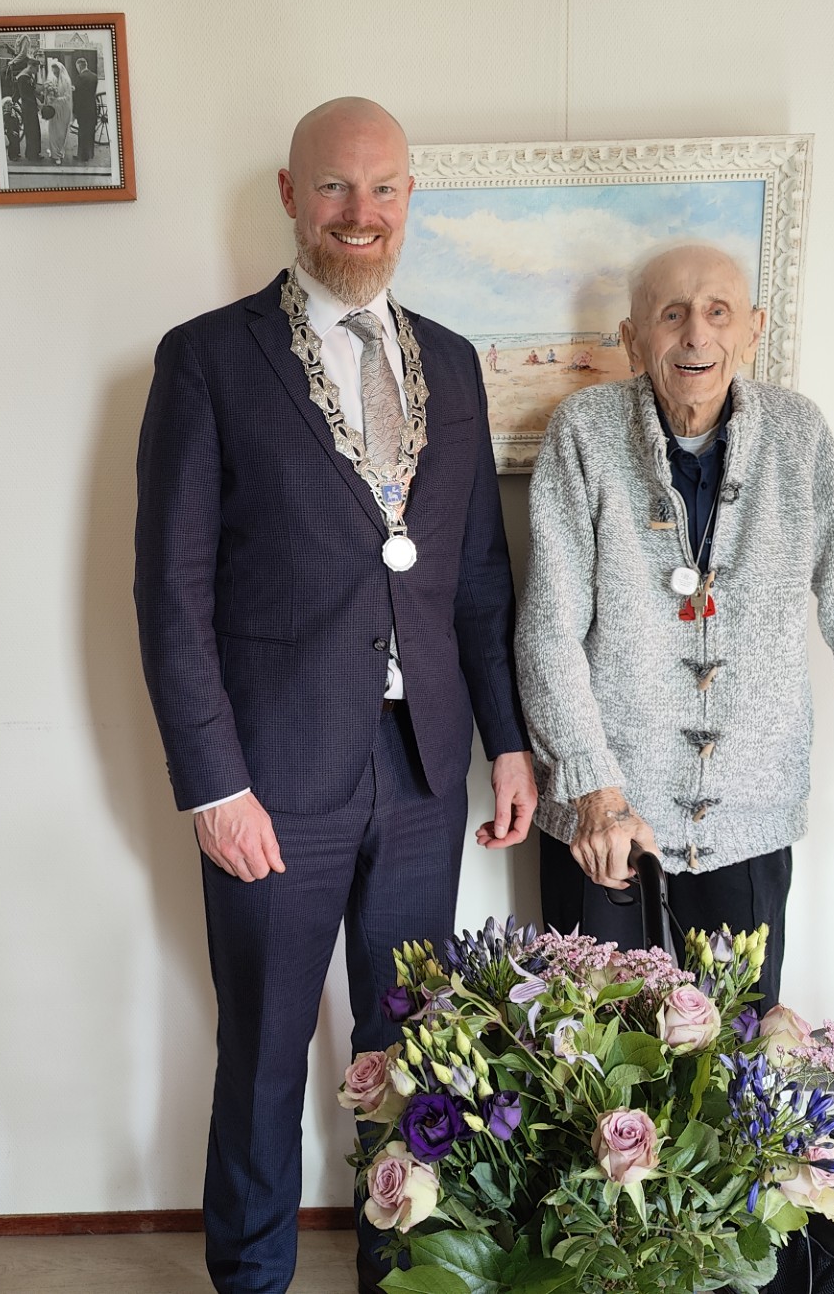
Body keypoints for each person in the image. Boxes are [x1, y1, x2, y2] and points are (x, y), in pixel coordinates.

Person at [134, 97, 536, 1294]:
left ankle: (399, 1273)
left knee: (411, 1057)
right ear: (289, 195)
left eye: (384, 189)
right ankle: (252, 1279)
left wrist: (508, 745)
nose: (361, 214)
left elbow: (477, 575)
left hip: (422, 772)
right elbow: (170, 591)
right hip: (272, 778)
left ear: (411, 199)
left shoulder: (452, 363)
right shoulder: (208, 360)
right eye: (334, 188)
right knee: (264, 1053)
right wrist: (214, 785)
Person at [514, 241, 834, 1016]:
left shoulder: (799, 435)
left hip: (749, 826)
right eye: (672, 314)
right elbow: (548, 631)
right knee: (592, 1070)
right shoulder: (584, 432)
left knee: (742, 1068)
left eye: (718, 312)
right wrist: (594, 788)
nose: (697, 334)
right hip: (608, 828)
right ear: (632, 338)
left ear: (753, 329)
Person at [70, 51, 99, 164]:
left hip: (83, 109)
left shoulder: (80, 77)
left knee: (82, 133)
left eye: (77, 67)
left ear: (79, 66)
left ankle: (82, 156)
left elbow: (77, 96)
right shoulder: (94, 76)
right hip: (92, 108)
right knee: (90, 132)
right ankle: (90, 154)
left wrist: (74, 111)